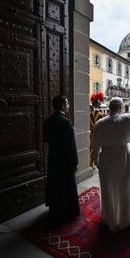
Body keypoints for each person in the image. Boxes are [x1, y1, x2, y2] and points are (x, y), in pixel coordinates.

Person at [93, 89, 130, 231]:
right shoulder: (126, 118)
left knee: (108, 187)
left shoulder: (100, 123)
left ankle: (110, 218)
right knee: (124, 187)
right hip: (123, 157)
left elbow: (95, 145)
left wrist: (96, 161)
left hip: (106, 158)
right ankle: (124, 219)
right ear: (120, 108)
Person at [43, 95, 80, 226]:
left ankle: (55, 210)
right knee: (66, 185)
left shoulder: (48, 120)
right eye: (67, 103)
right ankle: (67, 212)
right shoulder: (66, 122)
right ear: (63, 105)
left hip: (54, 158)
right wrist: (75, 162)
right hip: (65, 160)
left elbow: (46, 138)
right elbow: (71, 146)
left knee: (55, 184)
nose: (69, 105)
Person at [89, 92, 104, 168]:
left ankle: (91, 164)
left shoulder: (90, 113)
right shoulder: (100, 114)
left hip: (91, 134)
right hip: (97, 134)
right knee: (96, 149)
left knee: (91, 148)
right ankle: (95, 164)